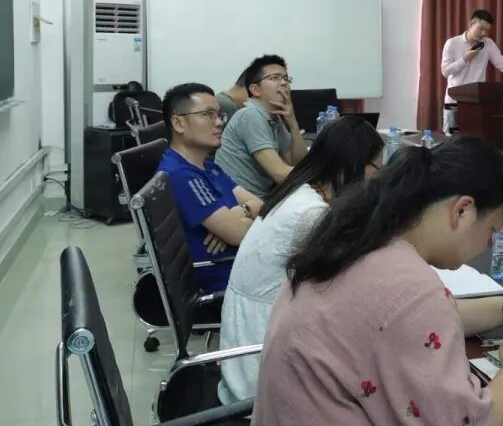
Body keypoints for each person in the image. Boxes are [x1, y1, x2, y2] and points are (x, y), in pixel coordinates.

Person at [239, 136, 503, 426]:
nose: (488, 244)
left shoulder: (355, 238)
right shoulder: (409, 288)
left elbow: (390, 326)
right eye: (491, 231)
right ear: (462, 210)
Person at [218, 115, 385, 403]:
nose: (377, 179)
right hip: (260, 365)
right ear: (353, 165)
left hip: (253, 338)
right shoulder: (310, 214)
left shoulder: (300, 189)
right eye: (377, 168)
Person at [157, 83, 263, 293]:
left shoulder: (207, 165)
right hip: (228, 279)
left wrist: (237, 213)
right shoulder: (181, 175)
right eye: (208, 114)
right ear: (178, 123)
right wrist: (233, 225)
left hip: (243, 263)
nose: (219, 122)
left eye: (219, 115)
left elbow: (260, 203)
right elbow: (239, 233)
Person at [216, 55, 309, 197]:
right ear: (255, 90)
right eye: (275, 78)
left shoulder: (275, 117)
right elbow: (280, 174)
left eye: (286, 78)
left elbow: (297, 162)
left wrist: (293, 123)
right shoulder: (250, 115)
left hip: (261, 197)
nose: (283, 83)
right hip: (239, 202)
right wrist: (321, 172)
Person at [441, 10, 503, 134]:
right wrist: (465, 59)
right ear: (471, 23)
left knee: (475, 138)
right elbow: (445, 71)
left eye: (487, 31)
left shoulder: (488, 44)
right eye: (481, 29)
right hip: (454, 101)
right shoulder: (452, 43)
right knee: (452, 138)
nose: (483, 34)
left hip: (476, 101)